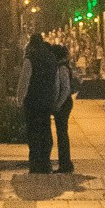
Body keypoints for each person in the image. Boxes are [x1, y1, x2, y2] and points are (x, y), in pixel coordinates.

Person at [18, 30, 58, 173]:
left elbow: (24, 81)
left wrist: (19, 99)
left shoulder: (30, 59)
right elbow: (55, 82)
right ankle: (46, 162)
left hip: (33, 101)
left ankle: (35, 163)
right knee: (45, 130)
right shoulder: (51, 58)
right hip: (46, 101)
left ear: (32, 44)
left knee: (33, 132)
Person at [48, 38, 77, 173]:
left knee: (62, 134)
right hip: (64, 103)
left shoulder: (62, 68)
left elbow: (65, 89)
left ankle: (65, 164)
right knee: (62, 134)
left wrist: (57, 105)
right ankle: (65, 163)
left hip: (64, 104)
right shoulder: (62, 67)